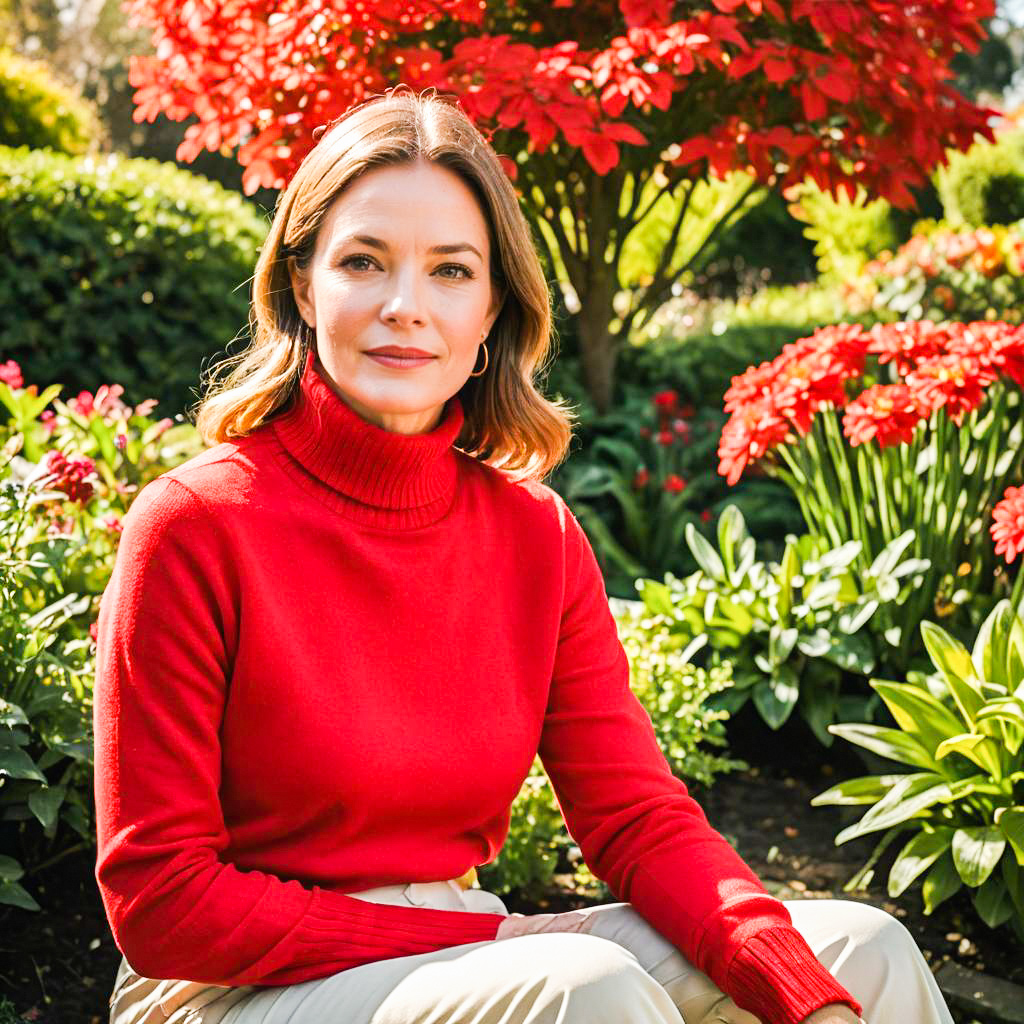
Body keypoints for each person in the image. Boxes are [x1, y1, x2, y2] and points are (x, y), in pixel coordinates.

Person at [93, 86, 955, 1024]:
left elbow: (636, 819)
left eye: (451, 271)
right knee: (581, 987)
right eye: (364, 261)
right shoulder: (193, 524)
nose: (404, 306)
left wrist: (801, 995)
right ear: (305, 286)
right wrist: (490, 940)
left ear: (496, 304)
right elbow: (164, 902)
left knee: (863, 954)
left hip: (465, 945)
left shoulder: (531, 532)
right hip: (224, 990)